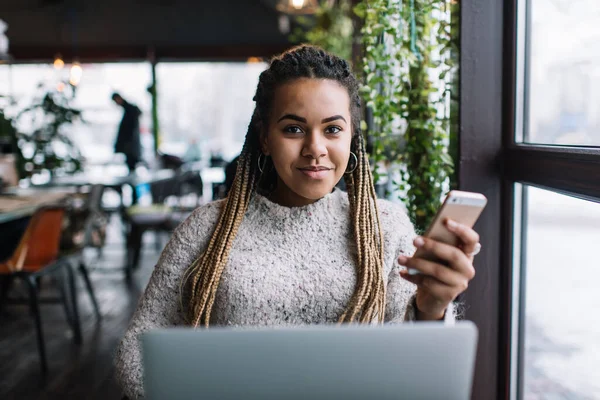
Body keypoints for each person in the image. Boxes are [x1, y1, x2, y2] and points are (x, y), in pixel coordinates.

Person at [115, 45, 480, 399]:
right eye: (293, 129)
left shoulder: (386, 226)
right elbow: (136, 351)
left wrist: (431, 308)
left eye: (333, 129)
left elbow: (414, 363)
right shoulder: (208, 226)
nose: (315, 148)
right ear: (265, 138)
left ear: (352, 135)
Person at [112, 92, 142, 173]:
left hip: (130, 145)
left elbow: (128, 130)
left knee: (132, 165)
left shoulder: (130, 111)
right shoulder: (129, 110)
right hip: (131, 145)